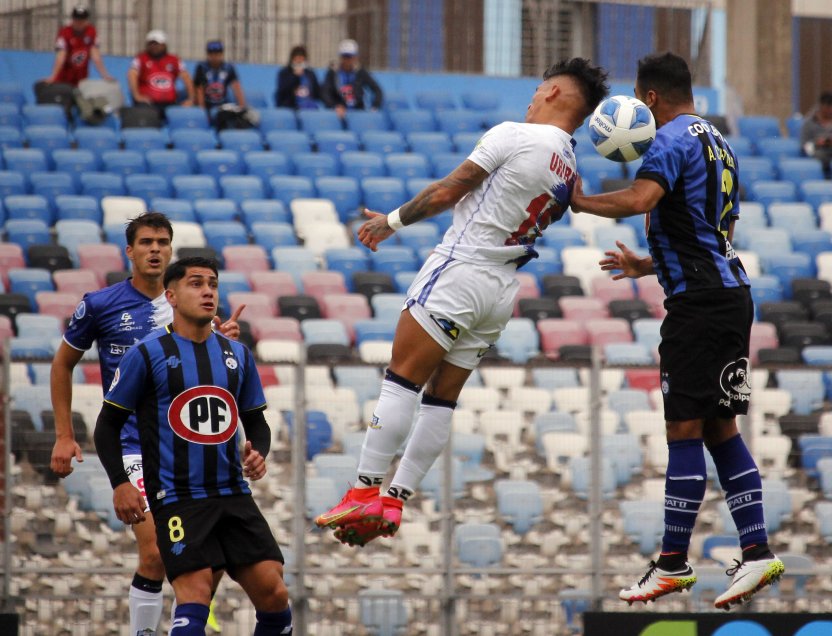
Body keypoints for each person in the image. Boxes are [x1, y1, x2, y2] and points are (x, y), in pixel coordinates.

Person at [314, 58, 609, 547]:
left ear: (555, 92)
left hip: (461, 269)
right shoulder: (570, 170)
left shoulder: (515, 134)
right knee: (441, 399)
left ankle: (365, 488)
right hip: (500, 292)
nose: (532, 98)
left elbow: (449, 190)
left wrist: (391, 221)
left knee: (403, 379)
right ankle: (396, 497)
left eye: (538, 90)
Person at [569, 52, 785, 610]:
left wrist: (579, 202)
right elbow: (719, 228)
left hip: (700, 306)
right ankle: (756, 550)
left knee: (684, 429)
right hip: (730, 297)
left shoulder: (667, 138)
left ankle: (671, 563)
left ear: (650, 100)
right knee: (720, 430)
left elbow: (641, 199)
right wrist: (650, 263)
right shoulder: (719, 141)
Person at [50, 213, 242, 635]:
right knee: (155, 550)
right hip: (136, 446)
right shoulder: (100, 305)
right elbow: (62, 365)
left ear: (171, 251)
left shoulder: (193, 306)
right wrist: (65, 435)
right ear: (130, 251)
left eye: (162, 242)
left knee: (219, 550)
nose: (155, 249)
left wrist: (221, 340)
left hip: (188, 451)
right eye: (146, 242)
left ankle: (189, 614)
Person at [94, 257, 292, 636]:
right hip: (178, 496)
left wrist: (258, 451)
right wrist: (120, 482)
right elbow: (107, 425)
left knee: (274, 591)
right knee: (195, 590)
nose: (207, 292)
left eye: (213, 284)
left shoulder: (237, 354)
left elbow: (256, 421)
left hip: (233, 492)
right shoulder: (147, 353)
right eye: (196, 283)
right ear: (171, 295)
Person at [43, 5, 114, 86]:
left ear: (86, 20)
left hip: (81, 78)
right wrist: (53, 76)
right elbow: (61, 57)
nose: (79, 23)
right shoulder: (64, 33)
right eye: (77, 20)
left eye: (82, 20)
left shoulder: (91, 32)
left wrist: (105, 75)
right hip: (64, 78)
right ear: (73, 20)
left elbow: (95, 55)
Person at [128, 30, 194, 116]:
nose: (154, 47)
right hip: (148, 104)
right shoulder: (141, 59)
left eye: (157, 44)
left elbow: (186, 78)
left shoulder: (174, 60)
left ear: (164, 45)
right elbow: (132, 75)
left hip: (170, 104)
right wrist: (137, 96)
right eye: (151, 44)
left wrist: (191, 99)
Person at [193, 40, 249, 128]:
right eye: (212, 54)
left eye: (217, 53)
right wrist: (202, 111)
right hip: (207, 105)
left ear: (222, 54)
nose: (215, 56)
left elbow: (237, 88)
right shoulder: (201, 68)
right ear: (208, 54)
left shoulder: (229, 68)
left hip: (222, 105)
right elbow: (199, 90)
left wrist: (242, 108)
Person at [321, 39, 383, 117]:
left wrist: (375, 106)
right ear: (340, 57)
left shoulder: (361, 72)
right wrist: (334, 106)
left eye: (350, 57)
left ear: (355, 57)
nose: (347, 60)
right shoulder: (332, 73)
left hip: (358, 112)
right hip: (338, 113)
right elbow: (325, 92)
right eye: (345, 56)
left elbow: (377, 90)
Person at [276, 44, 323, 110]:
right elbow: (282, 92)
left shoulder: (310, 74)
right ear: (292, 60)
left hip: (308, 108)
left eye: (301, 60)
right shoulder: (285, 73)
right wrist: (295, 77)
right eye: (296, 59)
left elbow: (317, 93)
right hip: (290, 107)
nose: (299, 62)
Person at [800, 91, 832, 178]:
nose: (830, 111)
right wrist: (816, 143)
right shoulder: (809, 123)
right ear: (821, 106)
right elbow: (804, 146)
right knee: (819, 156)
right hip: (817, 151)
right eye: (828, 108)